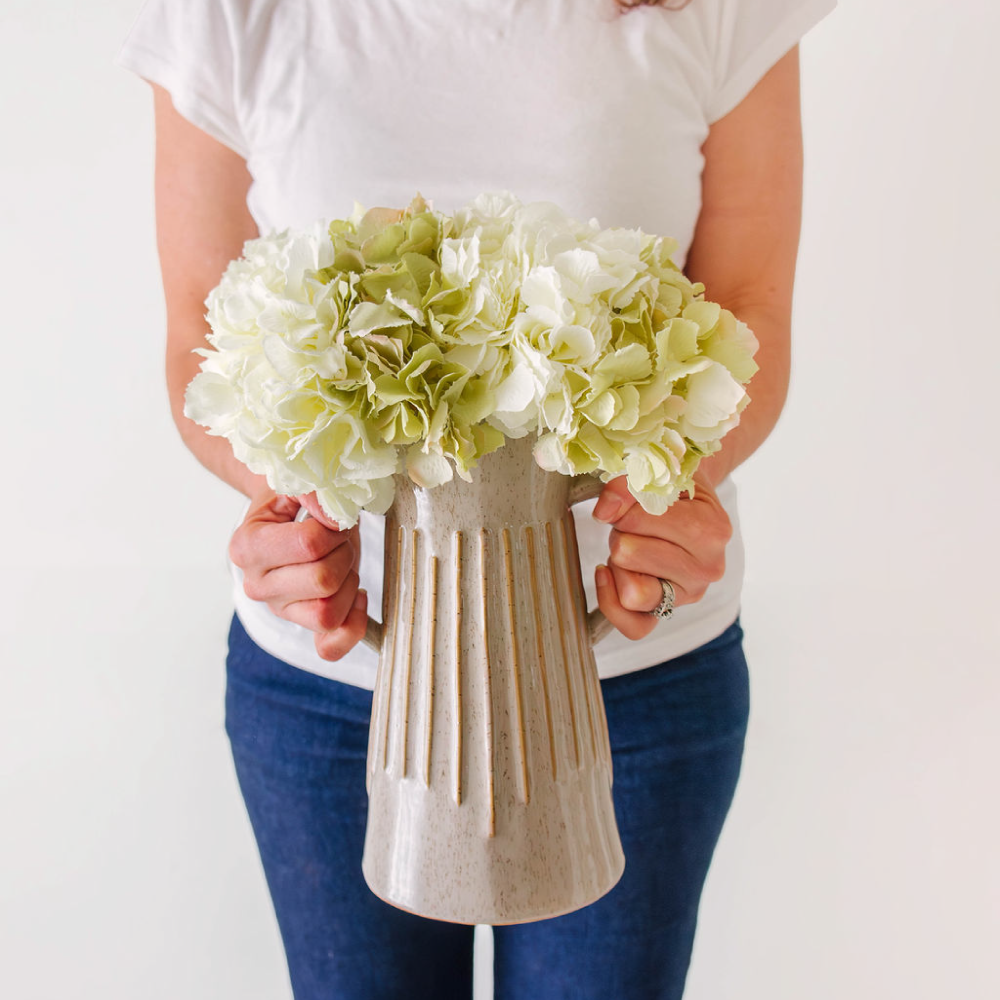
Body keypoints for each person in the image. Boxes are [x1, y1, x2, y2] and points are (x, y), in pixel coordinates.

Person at [117, 0, 835, 996]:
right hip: (330, 691)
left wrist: (678, 488)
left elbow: (747, 303)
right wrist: (286, 506)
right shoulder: (229, 14)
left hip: (636, 674)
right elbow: (198, 324)